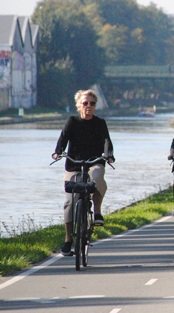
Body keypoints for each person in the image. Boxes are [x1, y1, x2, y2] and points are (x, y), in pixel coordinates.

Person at [52, 89, 115, 256]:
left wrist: (108, 155)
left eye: (92, 103)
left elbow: (107, 141)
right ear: (78, 105)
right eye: (85, 103)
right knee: (69, 202)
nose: (88, 106)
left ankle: (98, 212)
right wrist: (58, 152)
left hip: (94, 161)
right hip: (74, 164)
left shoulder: (100, 123)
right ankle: (68, 239)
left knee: (97, 177)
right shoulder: (72, 121)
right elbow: (63, 139)